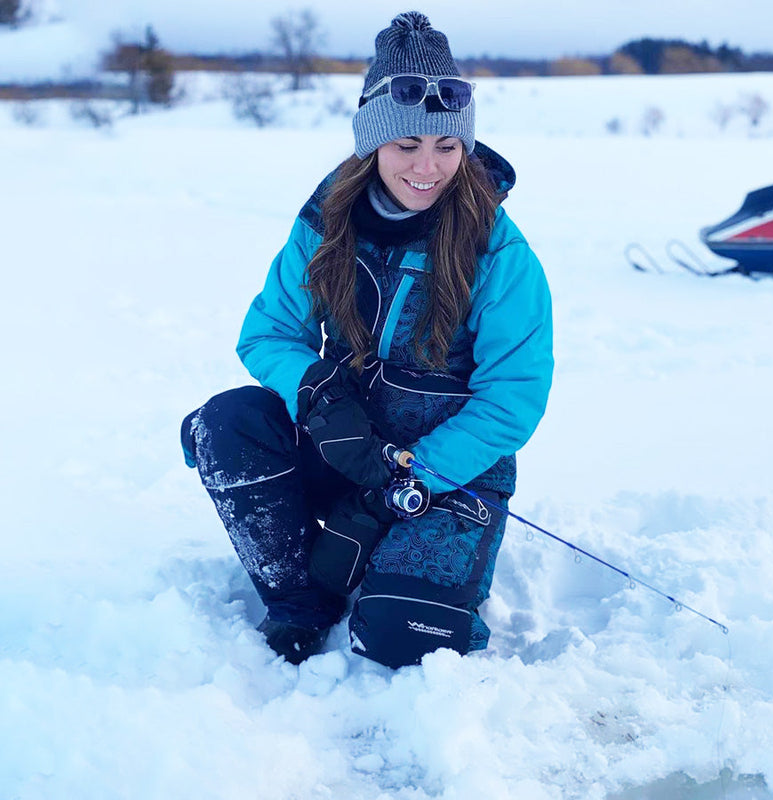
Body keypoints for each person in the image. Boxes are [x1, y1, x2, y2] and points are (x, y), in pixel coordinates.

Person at [181, 11, 553, 669]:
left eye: (447, 146)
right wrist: (320, 396)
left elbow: (513, 399)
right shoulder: (325, 223)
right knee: (227, 424)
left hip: (447, 473)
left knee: (402, 640)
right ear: (372, 143)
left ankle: (394, 570)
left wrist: (412, 476)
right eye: (407, 144)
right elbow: (269, 333)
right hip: (346, 447)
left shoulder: (501, 252)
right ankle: (300, 599)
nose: (428, 167)